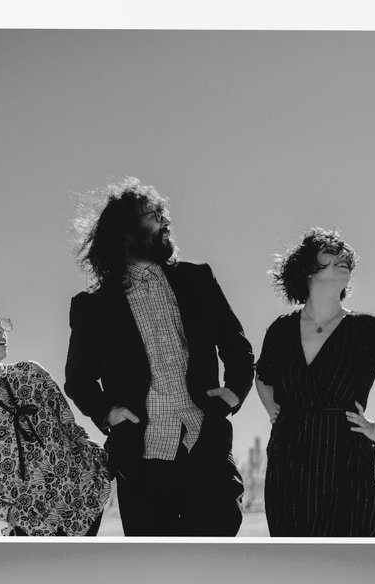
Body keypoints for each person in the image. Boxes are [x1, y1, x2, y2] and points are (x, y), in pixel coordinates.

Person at [63, 180, 256, 537]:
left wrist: (234, 393)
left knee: (220, 541)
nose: (164, 222)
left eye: (162, 214)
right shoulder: (93, 307)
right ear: (125, 230)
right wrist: (108, 413)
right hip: (142, 459)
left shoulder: (197, 279)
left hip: (206, 442)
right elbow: (79, 379)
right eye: (153, 216)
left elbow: (236, 345)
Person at [252, 230, 375, 537]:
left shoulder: (364, 330)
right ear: (306, 267)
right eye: (331, 251)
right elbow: (263, 377)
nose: (344, 257)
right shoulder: (280, 330)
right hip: (288, 468)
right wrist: (275, 412)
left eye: (347, 255)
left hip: (346, 467)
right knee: (295, 566)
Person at [0, 302, 111, 536]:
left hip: (85, 498)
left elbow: (71, 428)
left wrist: (95, 464)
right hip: (35, 525)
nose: (0, 331)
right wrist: (12, 514)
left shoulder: (31, 374)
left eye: (0, 324)